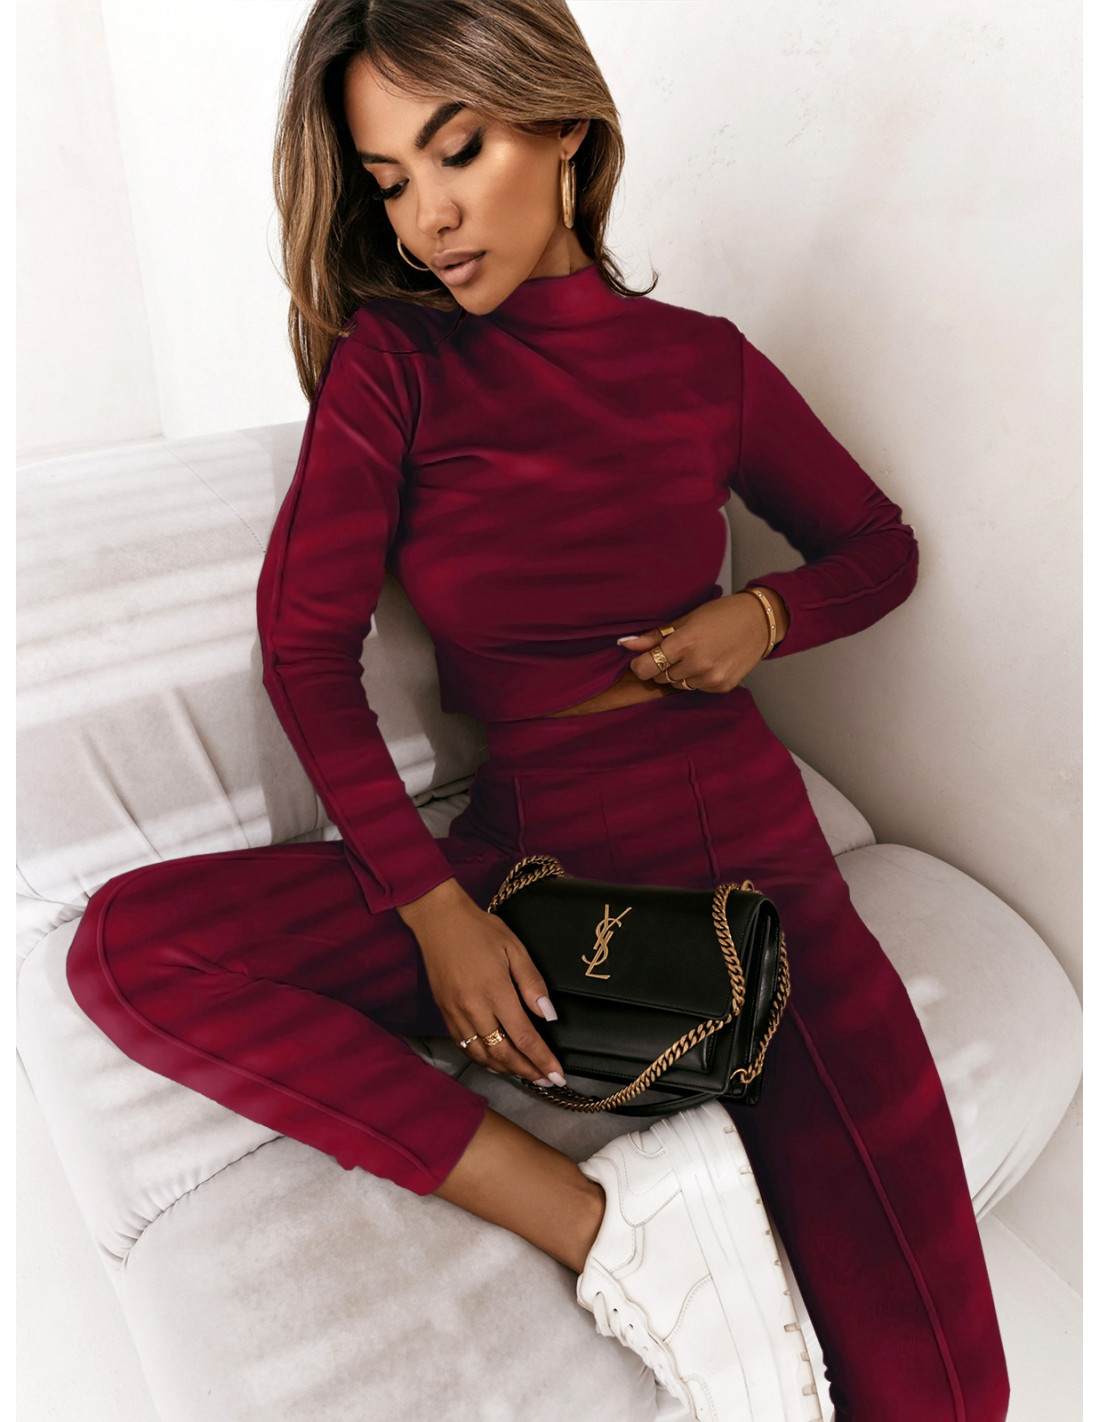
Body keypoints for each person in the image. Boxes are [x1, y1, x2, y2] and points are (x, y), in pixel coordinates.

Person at [65, 2, 1011, 1419]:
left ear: (565, 123)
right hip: (527, 874)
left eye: (459, 151)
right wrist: (436, 911)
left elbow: (880, 546)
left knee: (946, 1395)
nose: (429, 218)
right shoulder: (397, 364)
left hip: (756, 862)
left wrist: (762, 617)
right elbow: (306, 650)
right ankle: (611, 1229)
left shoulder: (704, 363)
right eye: (391, 181)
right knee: (128, 952)